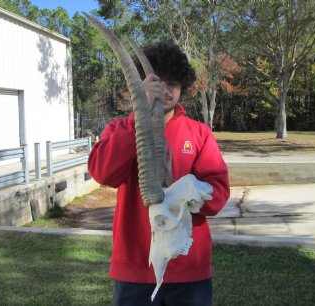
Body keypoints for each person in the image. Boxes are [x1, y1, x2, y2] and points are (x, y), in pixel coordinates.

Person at [88, 42, 230, 306]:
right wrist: (138, 117)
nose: (165, 91)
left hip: (188, 267)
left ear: (182, 89)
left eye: (173, 84)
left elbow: (218, 195)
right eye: (157, 82)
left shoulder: (199, 134)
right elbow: (102, 172)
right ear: (142, 84)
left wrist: (183, 191)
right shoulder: (120, 128)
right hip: (135, 267)